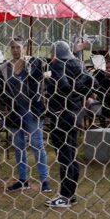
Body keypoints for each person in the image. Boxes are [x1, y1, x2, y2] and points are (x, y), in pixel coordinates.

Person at [0, 37, 50, 192]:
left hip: (32, 111)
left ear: (25, 48)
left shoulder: (34, 63)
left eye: (18, 47)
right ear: (9, 48)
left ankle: (45, 180)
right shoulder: (4, 68)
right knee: (19, 146)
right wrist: (5, 105)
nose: (15, 50)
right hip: (14, 112)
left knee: (37, 144)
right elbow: (0, 89)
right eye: (13, 47)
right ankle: (23, 180)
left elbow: (55, 62)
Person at [44, 41, 91, 208]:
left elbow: (63, 86)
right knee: (71, 155)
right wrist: (76, 101)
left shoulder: (58, 66)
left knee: (64, 156)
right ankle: (71, 195)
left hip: (62, 116)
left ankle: (64, 196)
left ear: (54, 54)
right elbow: (91, 83)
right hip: (75, 115)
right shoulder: (77, 65)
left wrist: (63, 98)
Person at [83, 57, 110, 125]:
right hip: (100, 103)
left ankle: (78, 123)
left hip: (107, 109)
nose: (108, 69)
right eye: (107, 68)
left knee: (83, 100)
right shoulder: (105, 80)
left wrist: (94, 96)